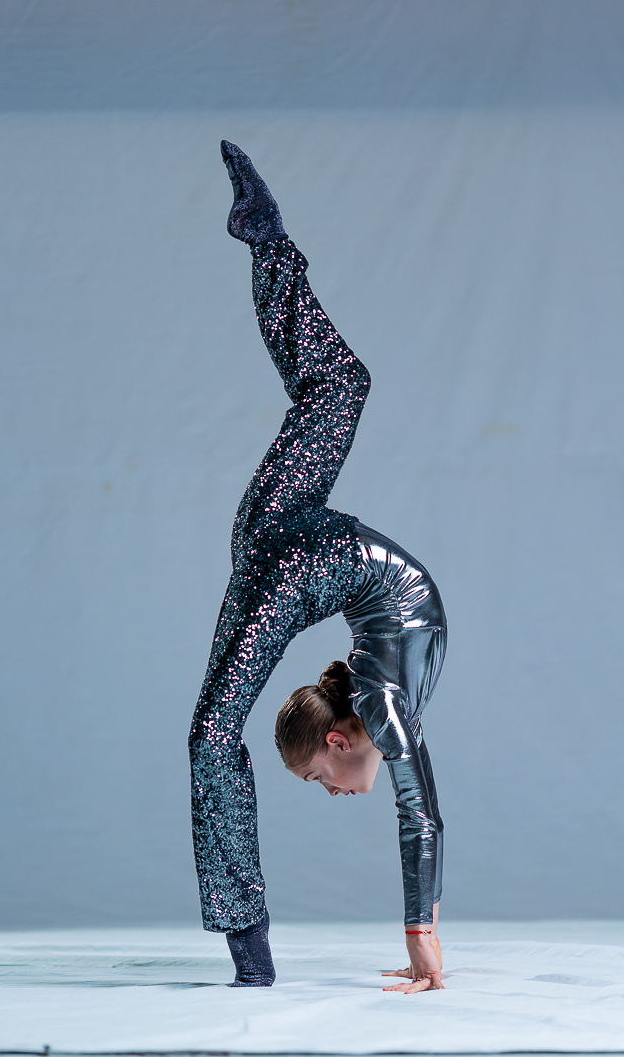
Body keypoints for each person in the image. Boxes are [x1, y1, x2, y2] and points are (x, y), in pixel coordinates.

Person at [188, 142, 448, 993]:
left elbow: (422, 813)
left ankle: (267, 241)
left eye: (314, 780)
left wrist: (423, 930)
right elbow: (421, 816)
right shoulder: (383, 706)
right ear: (340, 741)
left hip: (290, 539)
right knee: (341, 385)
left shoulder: (375, 699)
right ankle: (248, 943)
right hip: (294, 549)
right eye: (318, 780)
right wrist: (422, 939)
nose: (330, 790)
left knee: (342, 386)